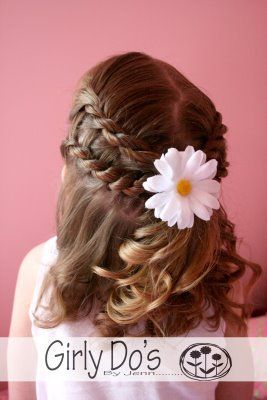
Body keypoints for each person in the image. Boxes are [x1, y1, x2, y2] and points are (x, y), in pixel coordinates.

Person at [9, 51, 261, 399]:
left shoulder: (39, 273)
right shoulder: (219, 286)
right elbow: (237, 395)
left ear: (69, 175)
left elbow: (22, 393)